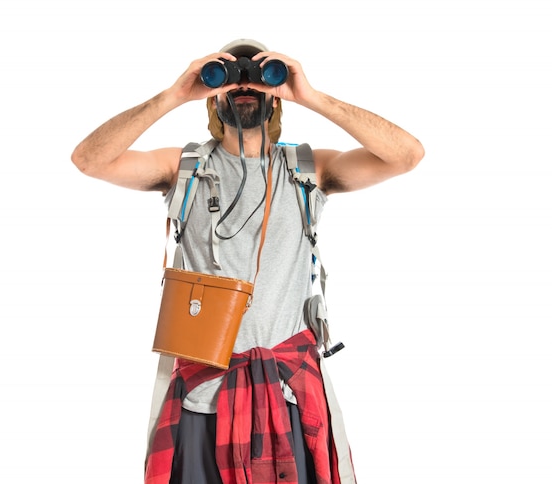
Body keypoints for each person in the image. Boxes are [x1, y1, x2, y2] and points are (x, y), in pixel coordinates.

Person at [71, 39, 424, 484]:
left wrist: (311, 96)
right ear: (212, 94)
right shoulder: (184, 168)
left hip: (287, 394)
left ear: (275, 94)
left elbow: (407, 155)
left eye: (259, 75)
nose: (244, 84)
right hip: (204, 396)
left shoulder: (307, 170)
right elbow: (88, 160)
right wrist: (174, 95)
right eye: (229, 75)